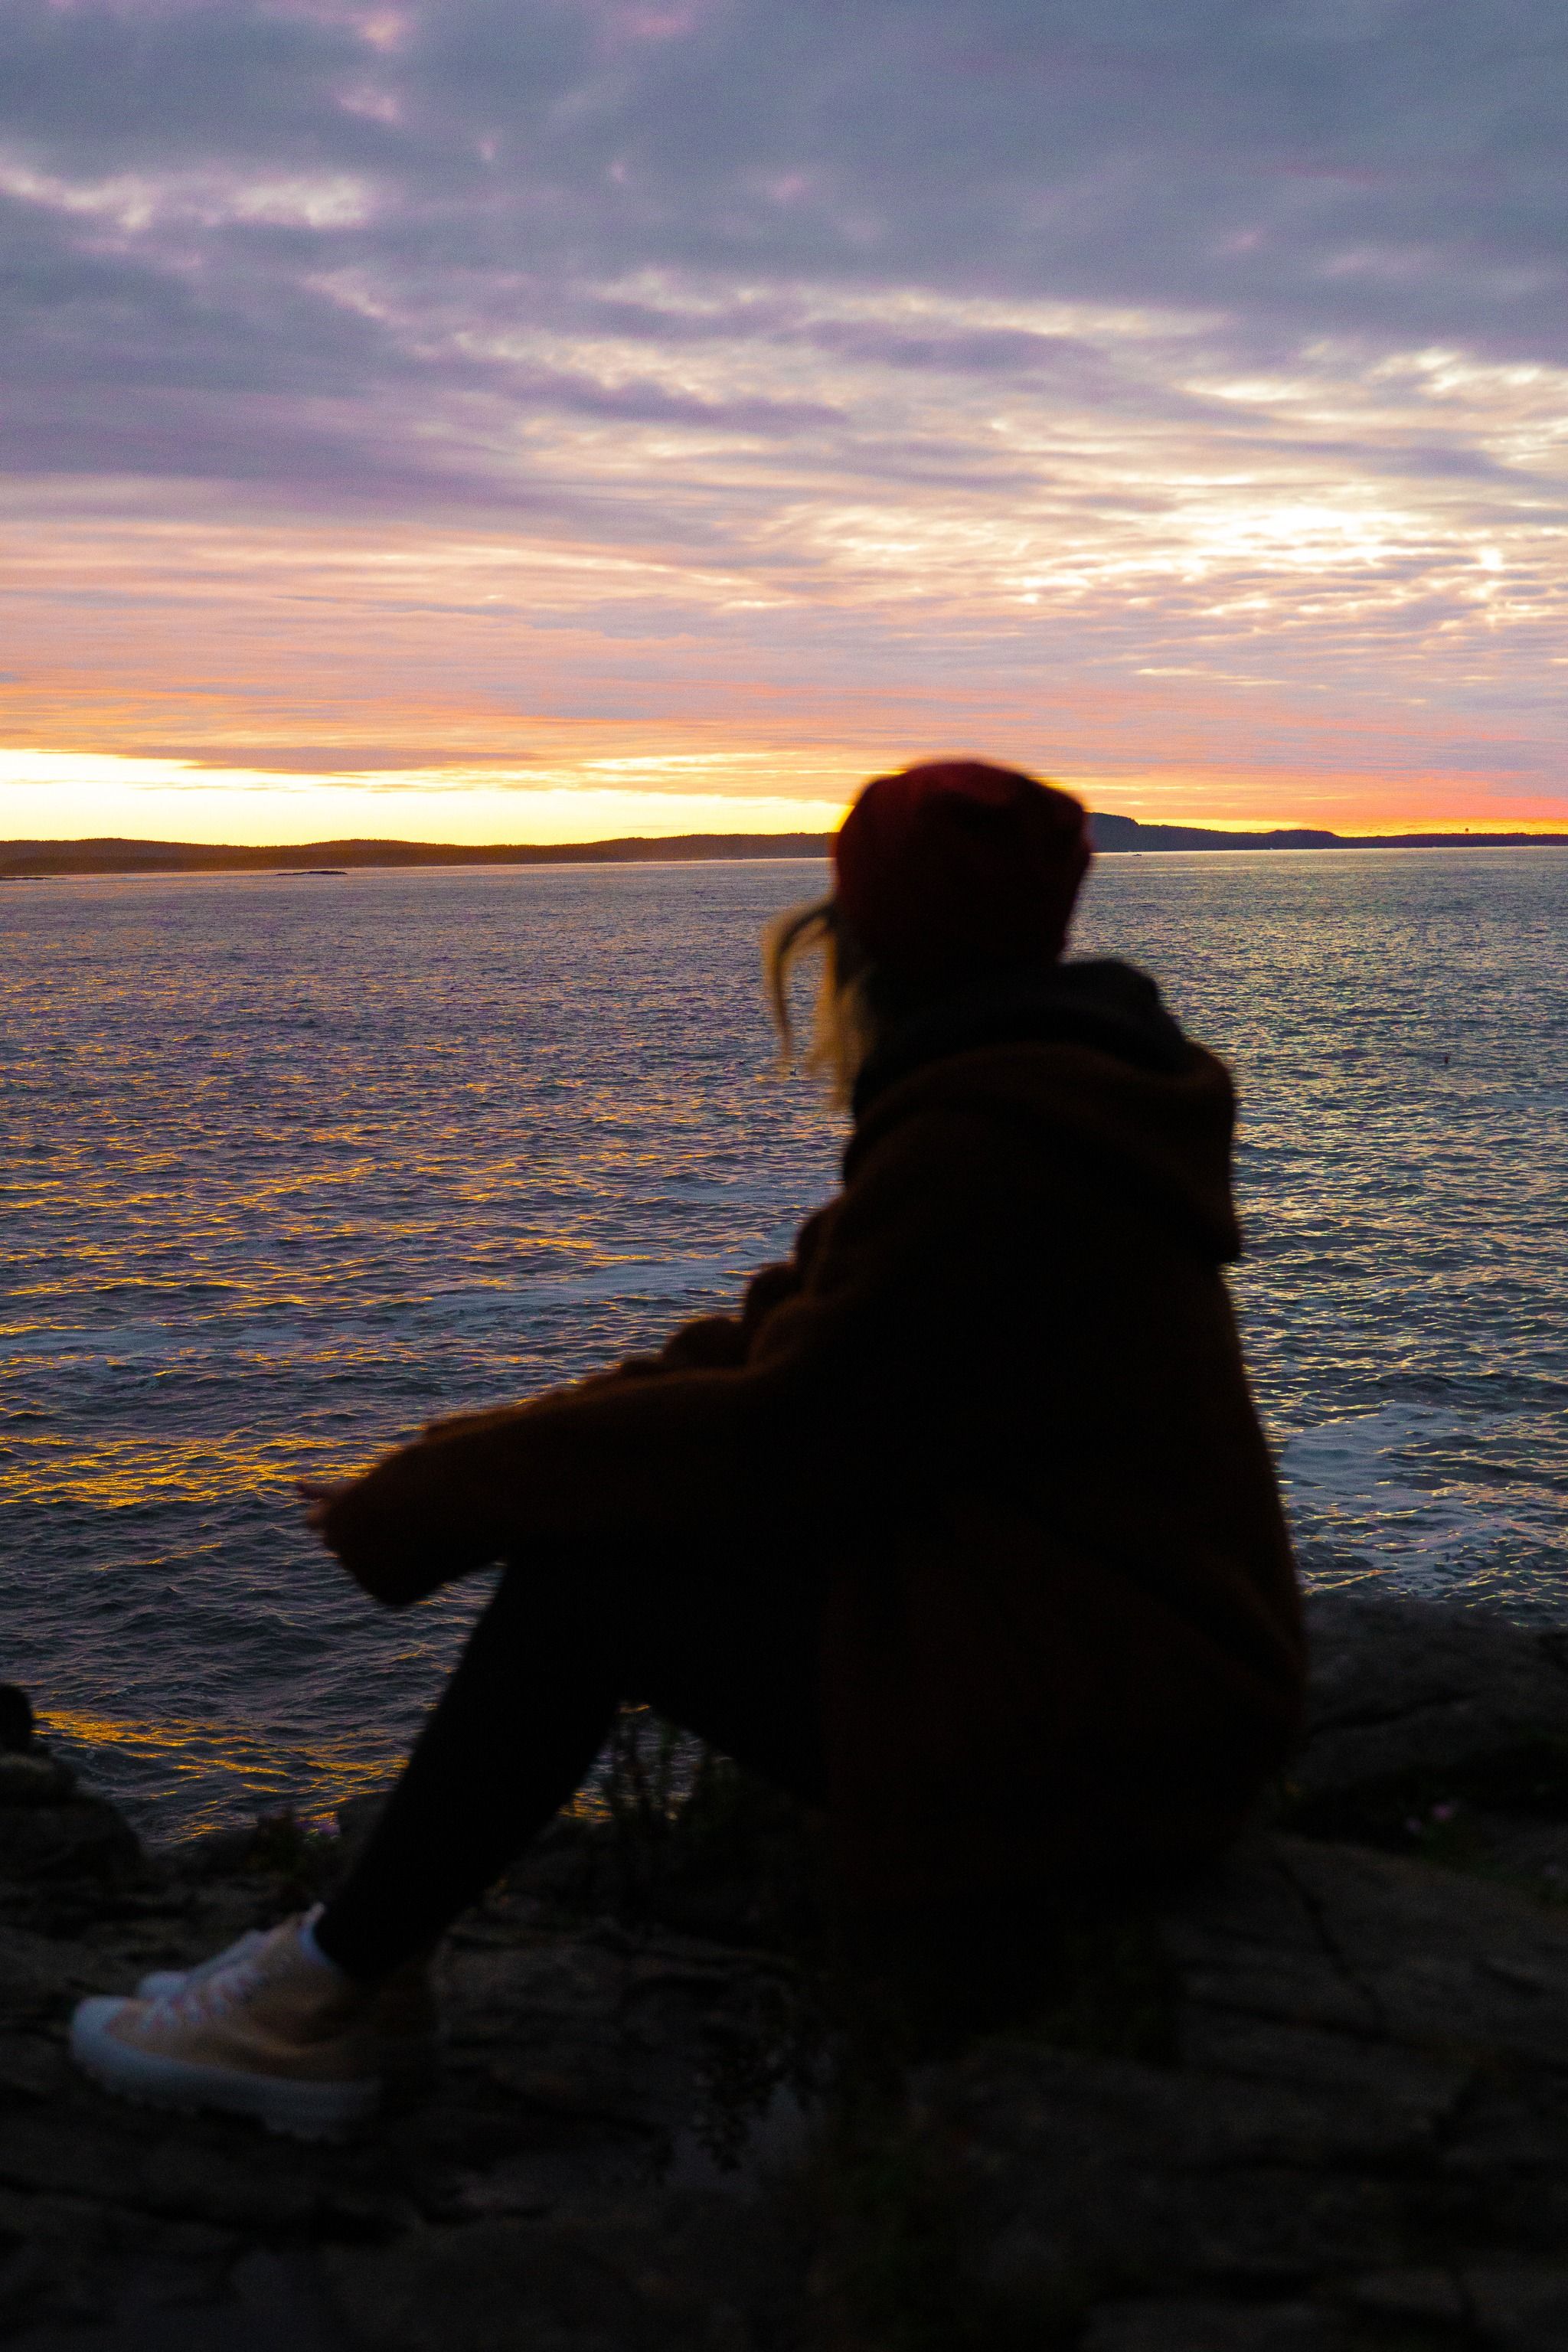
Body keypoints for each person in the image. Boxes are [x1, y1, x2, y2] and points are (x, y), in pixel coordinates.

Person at [70, 760, 1305, 2139]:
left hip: (1120, 1735)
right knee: (602, 1540)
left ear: (864, 944)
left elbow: (779, 1431)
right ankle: (358, 1970)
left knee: (594, 1587)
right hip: (1131, 1678)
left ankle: (319, 2001)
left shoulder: (993, 1144)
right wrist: (469, 1451)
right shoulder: (1035, 1103)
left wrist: (442, 1500)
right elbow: (767, 1345)